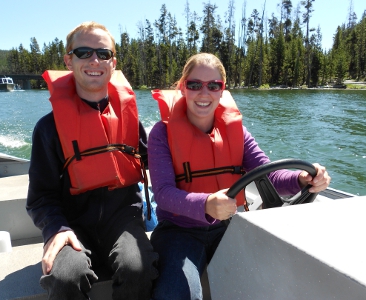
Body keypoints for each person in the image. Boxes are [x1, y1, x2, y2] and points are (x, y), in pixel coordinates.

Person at [147, 53, 331, 300]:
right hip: (179, 231)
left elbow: (271, 176)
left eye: (214, 85)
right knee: (175, 293)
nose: (204, 93)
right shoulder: (161, 134)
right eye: (194, 85)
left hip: (229, 228)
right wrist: (206, 204)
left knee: (275, 282)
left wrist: (303, 179)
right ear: (183, 87)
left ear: (222, 91)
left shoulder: (237, 132)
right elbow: (163, 194)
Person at [26, 21, 158, 300]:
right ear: (68, 60)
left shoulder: (132, 124)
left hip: (123, 220)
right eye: (84, 52)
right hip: (72, 224)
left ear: (113, 63)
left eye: (103, 53)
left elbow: (159, 168)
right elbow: (40, 198)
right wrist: (56, 229)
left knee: (138, 269)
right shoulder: (48, 129)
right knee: (65, 277)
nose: (94, 60)